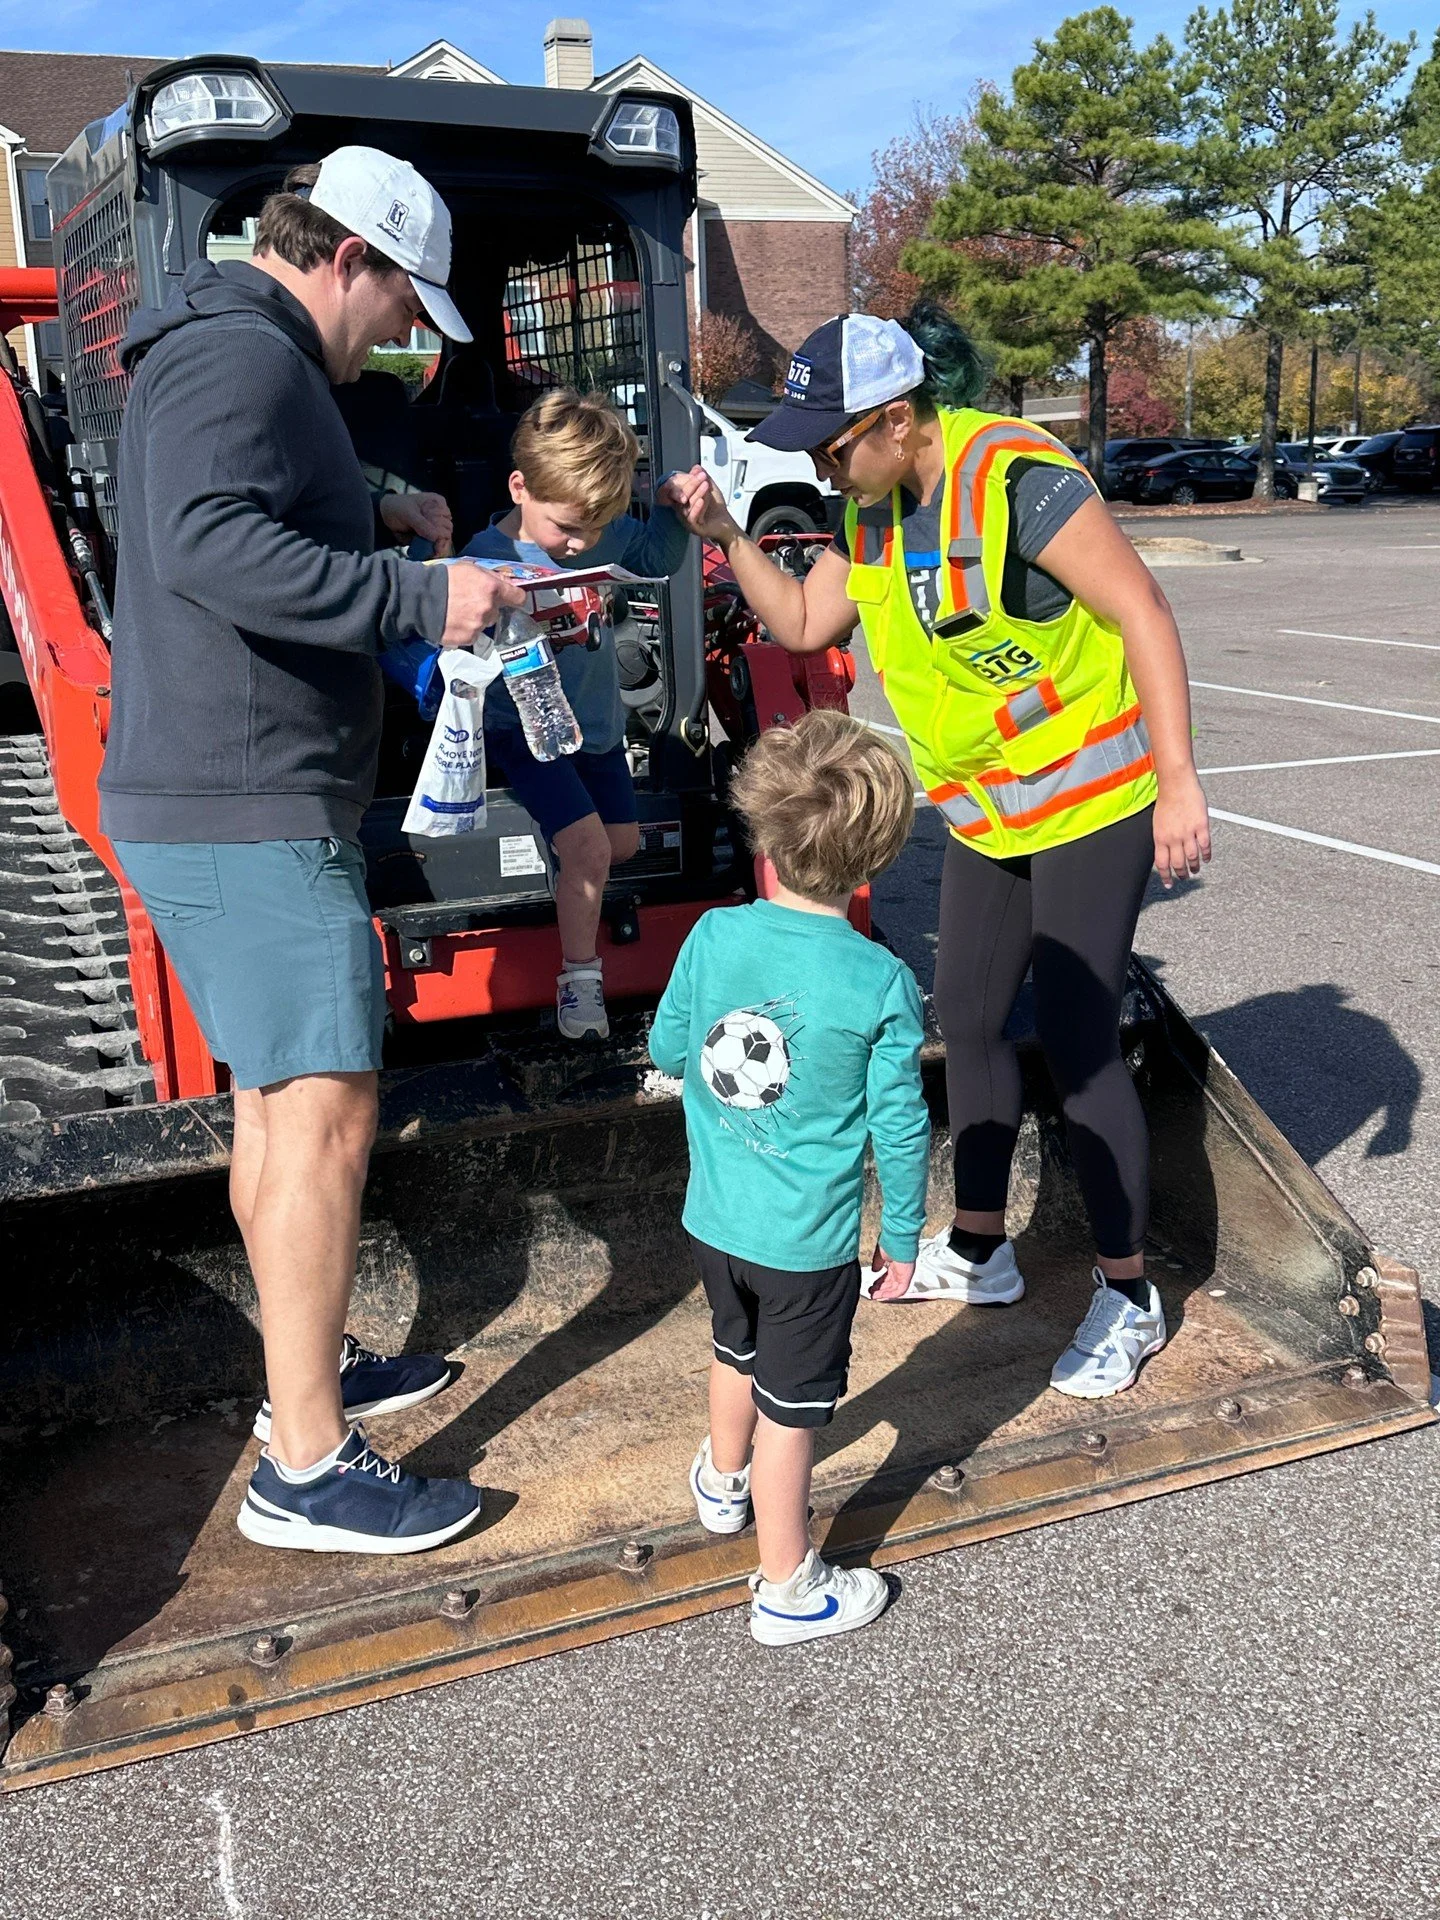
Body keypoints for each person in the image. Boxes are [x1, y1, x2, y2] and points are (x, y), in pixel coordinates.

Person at [101, 147, 525, 1553]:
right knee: (329, 1112)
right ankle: (307, 1466)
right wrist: (417, 589)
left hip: (227, 797)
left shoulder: (244, 354)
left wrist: (373, 507)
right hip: (249, 802)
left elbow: (253, 511)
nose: (405, 334)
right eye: (403, 300)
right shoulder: (249, 360)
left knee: (279, 1109)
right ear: (347, 256)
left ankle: (310, 1366)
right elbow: (208, 543)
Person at [671, 306, 1213, 1400]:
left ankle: (1127, 1291)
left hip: (1094, 797)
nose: (824, 465)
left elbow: (1144, 613)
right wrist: (729, 535)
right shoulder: (866, 512)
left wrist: (1181, 782)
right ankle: (981, 1246)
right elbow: (804, 624)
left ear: (900, 417)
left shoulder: (1015, 478)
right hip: (985, 815)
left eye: (835, 443)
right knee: (963, 1016)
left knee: (1074, 1033)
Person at [648, 710, 929, 1644]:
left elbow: (666, 1046)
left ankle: (720, 1484)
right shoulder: (881, 979)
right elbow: (900, 1124)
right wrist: (899, 1241)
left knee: (735, 1349)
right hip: (807, 1248)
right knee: (794, 1411)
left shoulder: (713, 934)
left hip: (714, 1220)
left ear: (763, 831)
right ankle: (788, 1585)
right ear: (875, 861)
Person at [464, 389, 709, 1040]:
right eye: (566, 528)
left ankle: (568, 859)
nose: (579, 544)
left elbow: (655, 558)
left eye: (594, 530)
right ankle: (580, 987)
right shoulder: (487, 554)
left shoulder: (601, 532)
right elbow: (455, 640)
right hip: (524, 733)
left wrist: (670, 515)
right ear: (520, 487)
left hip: (597, 728)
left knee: (621, 844)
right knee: (593, 850)